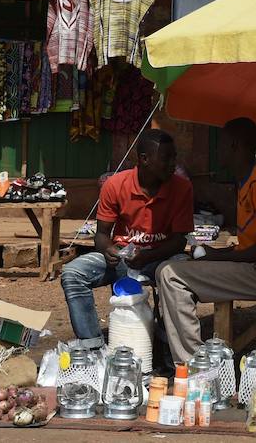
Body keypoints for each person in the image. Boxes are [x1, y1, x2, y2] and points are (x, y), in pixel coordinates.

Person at [156, 117, 256, 364]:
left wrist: (220, 256)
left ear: (235, 145)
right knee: (176, 268)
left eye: (221, 144)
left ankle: (194, 365)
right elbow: (253, 244)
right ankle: (193, 359)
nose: (217, 150)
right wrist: (219, 254)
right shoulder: (246, 182)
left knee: (170, 275)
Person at [60, 128, 193, 348]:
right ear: (144, 159)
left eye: (174, 157)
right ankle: (92, 346)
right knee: (73, 274)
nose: (173, 164)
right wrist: (108, 250)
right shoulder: (115, 185)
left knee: (184, 269)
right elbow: (102, 236)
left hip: (162, 259)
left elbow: (179, 241)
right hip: (124, 258)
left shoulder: (182, 188)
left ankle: (171, 345)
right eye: (166, 158)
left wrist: (148, 255)